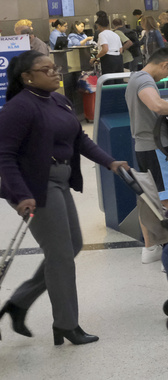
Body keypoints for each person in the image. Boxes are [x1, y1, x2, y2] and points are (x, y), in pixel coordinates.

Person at [0, 51, 128, 346]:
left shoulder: (58, 100)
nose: (56, 73)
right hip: (35, 187)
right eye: (47, 69)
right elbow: (4, 157)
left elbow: (80, 139)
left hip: (60, 179)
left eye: (54, 67)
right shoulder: (18, 109)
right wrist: (21, 195)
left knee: (72, 246)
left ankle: (18, 302)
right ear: (27, 77)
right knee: (60, 255)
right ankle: (66, 325)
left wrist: (110, 162)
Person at [125, 48, 168, 264]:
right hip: (156, 146)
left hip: (142, 147)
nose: (167, 76)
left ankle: (151, 248)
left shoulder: (134, 79)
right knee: (167, 198)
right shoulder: (146, 81)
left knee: (148, 198)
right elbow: (156, 105)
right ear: (164, 65)